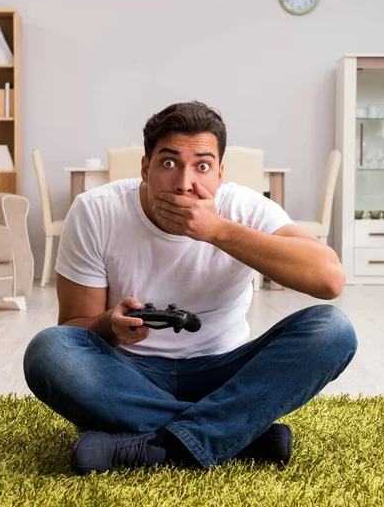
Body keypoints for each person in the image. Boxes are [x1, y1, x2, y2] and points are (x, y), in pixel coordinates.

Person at [23, 101, 358, 475]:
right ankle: (238, 434)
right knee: (48, 351)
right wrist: (108, 325)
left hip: (224, 376)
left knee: (333, 330)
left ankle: (157, 442)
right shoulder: (96, 210)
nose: (185, 183)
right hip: (129, 376)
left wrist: (218, 231)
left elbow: (330, 279)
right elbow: (72, 328)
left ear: (220, 174)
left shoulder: (244, 209)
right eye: (169, 163)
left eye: (202, 166)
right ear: (145, 169)